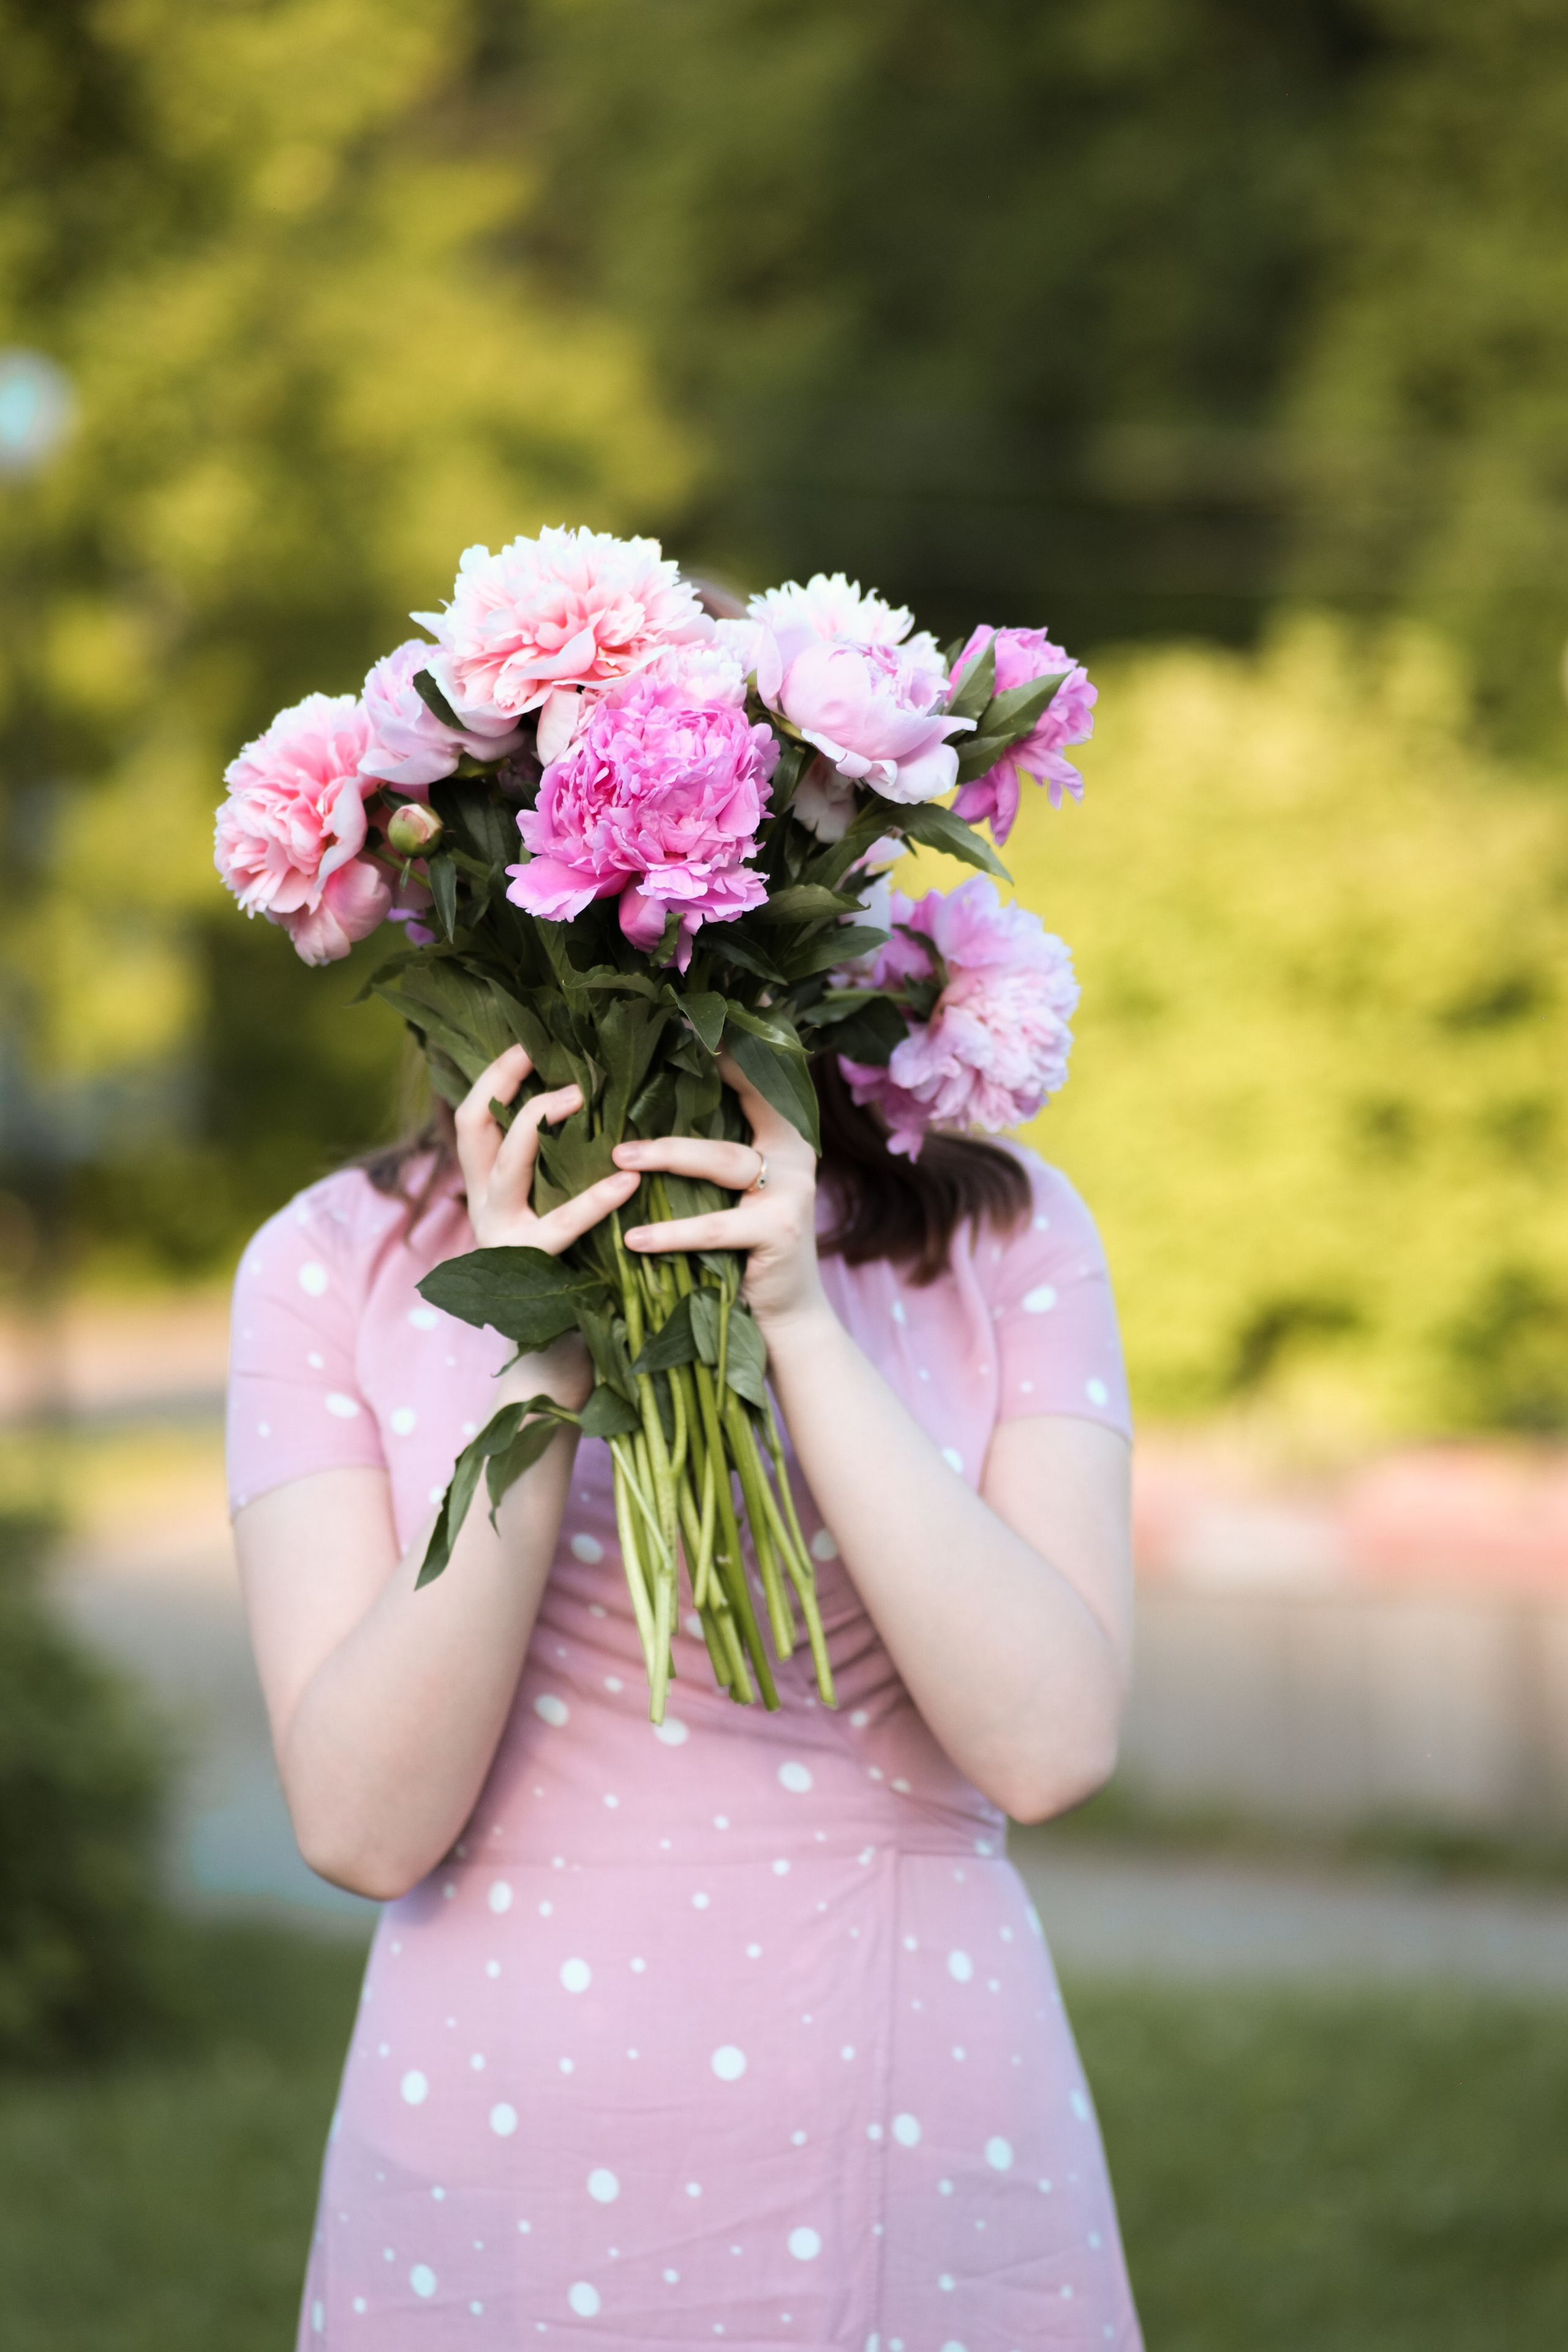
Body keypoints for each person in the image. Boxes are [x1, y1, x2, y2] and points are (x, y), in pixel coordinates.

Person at [229, 1038, 1144, 2348]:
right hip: (497, 2171)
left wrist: (799, 1326)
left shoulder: (998, 1227)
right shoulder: (331, 1258)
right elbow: (362, 1828)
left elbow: (1052, 1746)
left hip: (915, 2144)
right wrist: (540, 1348)